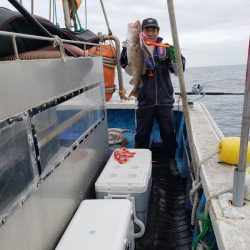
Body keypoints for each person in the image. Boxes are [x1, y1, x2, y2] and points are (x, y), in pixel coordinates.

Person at [120, 18, 185, 175]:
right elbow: (125, 65)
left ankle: (171, 160)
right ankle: (139, 163)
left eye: (153, 30)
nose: (150, 33)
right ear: (142, 32)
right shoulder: (138, 47)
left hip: (165, 101)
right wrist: (125, 48)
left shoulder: (165, 48)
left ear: (158, 31)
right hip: (145, 100)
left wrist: (176, 57)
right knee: (142, 135)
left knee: (168, 134)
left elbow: (178, 71)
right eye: (147, 30)